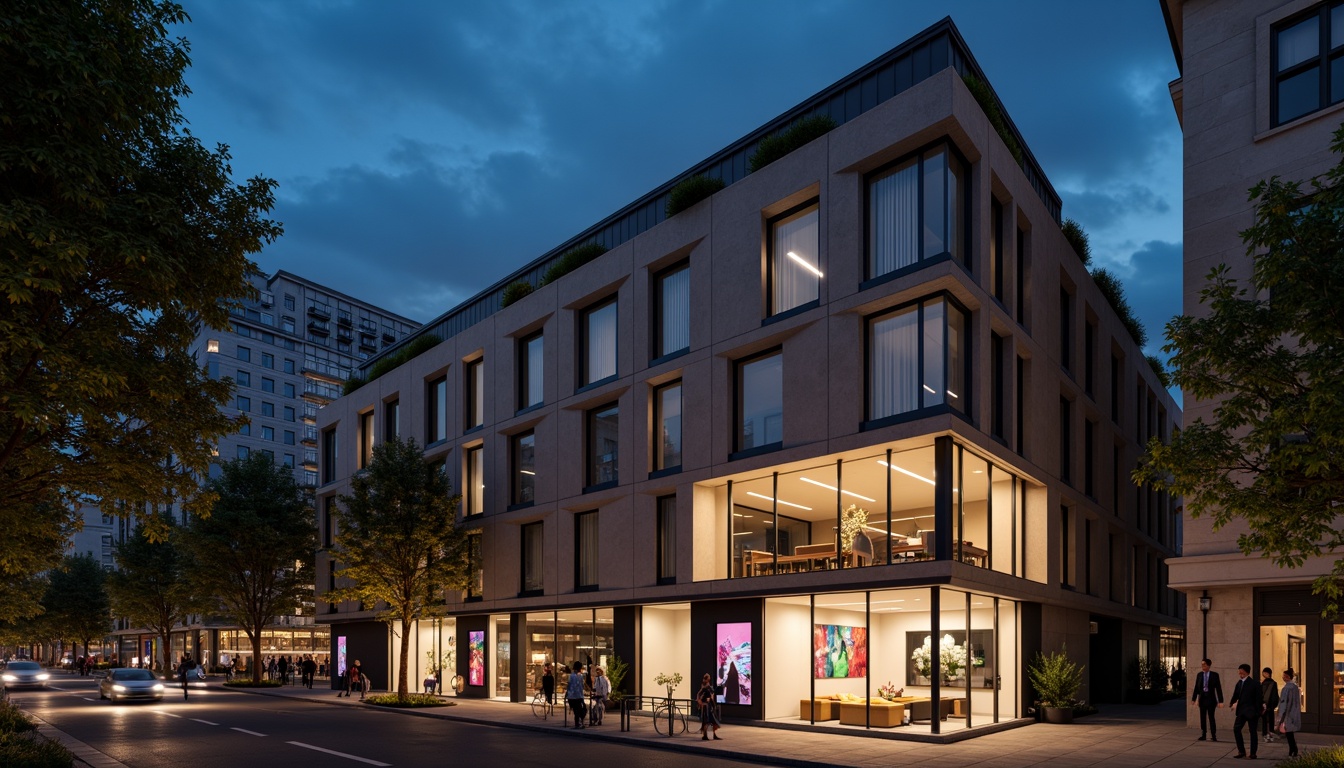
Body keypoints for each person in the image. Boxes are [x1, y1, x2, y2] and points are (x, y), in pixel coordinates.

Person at [1228, 662, 1263, 759]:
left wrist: (1258, 711)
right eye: (1239, 673)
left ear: (1247, 672)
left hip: (1252, 712)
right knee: (1236, 729)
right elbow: (1236, 694)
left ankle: (1253, 753)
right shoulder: (1239, 683)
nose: (1240, 675)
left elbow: (1259, 698)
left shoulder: (1254, 684)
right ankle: (1241, 751)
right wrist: (1232, 702)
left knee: (1253, 732)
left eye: (1242, 673)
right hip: (1241, 711)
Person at [1190, 658, 1223, 741]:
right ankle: (1203, 734)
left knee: (1211, 717)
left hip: (1211, 699)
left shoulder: (1215, 675)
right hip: (1202, 699)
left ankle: (1213, 735)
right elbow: (1196, 688)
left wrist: (1221, 701)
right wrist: (1193, 698)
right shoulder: (1199, 675)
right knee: (1202, 717)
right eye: (1202, 664)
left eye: (1204, 665)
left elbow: (1218, 688)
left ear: (1208, 665)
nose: (1202, 666)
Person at [1275, 668, 1301, 759]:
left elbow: (1283, 703)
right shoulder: (1295, 687)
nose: (1283, 678)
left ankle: (1293, 750)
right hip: (1293, 713)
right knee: (1290, 734)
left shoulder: (1286, 688)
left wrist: (1280, 716)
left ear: (1287, 677)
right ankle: (1293, 750)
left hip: (1287, 714)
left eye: (1284, 676)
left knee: (1289, 734)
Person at [697, 672, 722, 740]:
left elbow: (710, 696)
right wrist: (701, 702)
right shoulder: (705, 687)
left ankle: (711, 735)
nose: (709, 679)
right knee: (707, 721)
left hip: (708, 706)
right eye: (708, 678)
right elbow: (701, 695)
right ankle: (706, 735)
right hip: (706, 707)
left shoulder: (706, 687)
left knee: (711, 721)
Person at [1259, 667, 1280, 743]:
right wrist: (1273, 705)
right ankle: (1270, 734)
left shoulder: (1263, 683)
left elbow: (1260, 694)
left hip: (1264, 705)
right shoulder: (1273, 683)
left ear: (1267, 673)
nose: (1262, 674)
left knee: (1264, 721)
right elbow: (1275, 696)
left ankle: (1265, 734)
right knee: (1270, 720)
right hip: (1270, 706)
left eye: (1263, 673)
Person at [565, 661, 587, 729]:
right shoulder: (578, 676)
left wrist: (567, 693)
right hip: (577, 696)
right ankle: (578, 723)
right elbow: (580, 686)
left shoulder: (573, 675)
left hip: (573, 696)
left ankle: (578, 723)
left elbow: (569, 685)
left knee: (578, 710)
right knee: (579, 710)